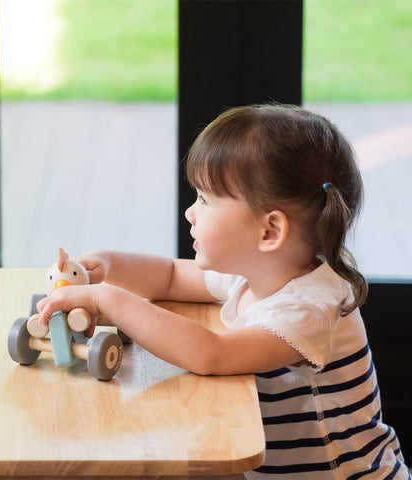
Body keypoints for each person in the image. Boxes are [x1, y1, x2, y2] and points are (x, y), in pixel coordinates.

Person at [37, 104, 410, 478]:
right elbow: (169, 276)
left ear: (269, 232)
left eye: (205, 199)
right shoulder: (259, 271)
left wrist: (108, 300)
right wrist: (110, 265)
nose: (191, 212)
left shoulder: (308, 308)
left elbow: (210, 354)